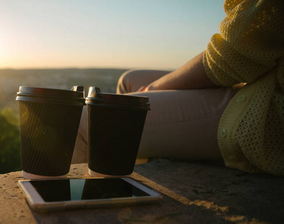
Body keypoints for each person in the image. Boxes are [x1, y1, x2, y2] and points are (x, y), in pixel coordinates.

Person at [73, 0, 284, 176]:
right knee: (129, 80)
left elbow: (232, 55)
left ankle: (80, 212)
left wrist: (157, 87)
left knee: (89, 120)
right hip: (258, 81)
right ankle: (129, 175)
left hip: (269, 106)